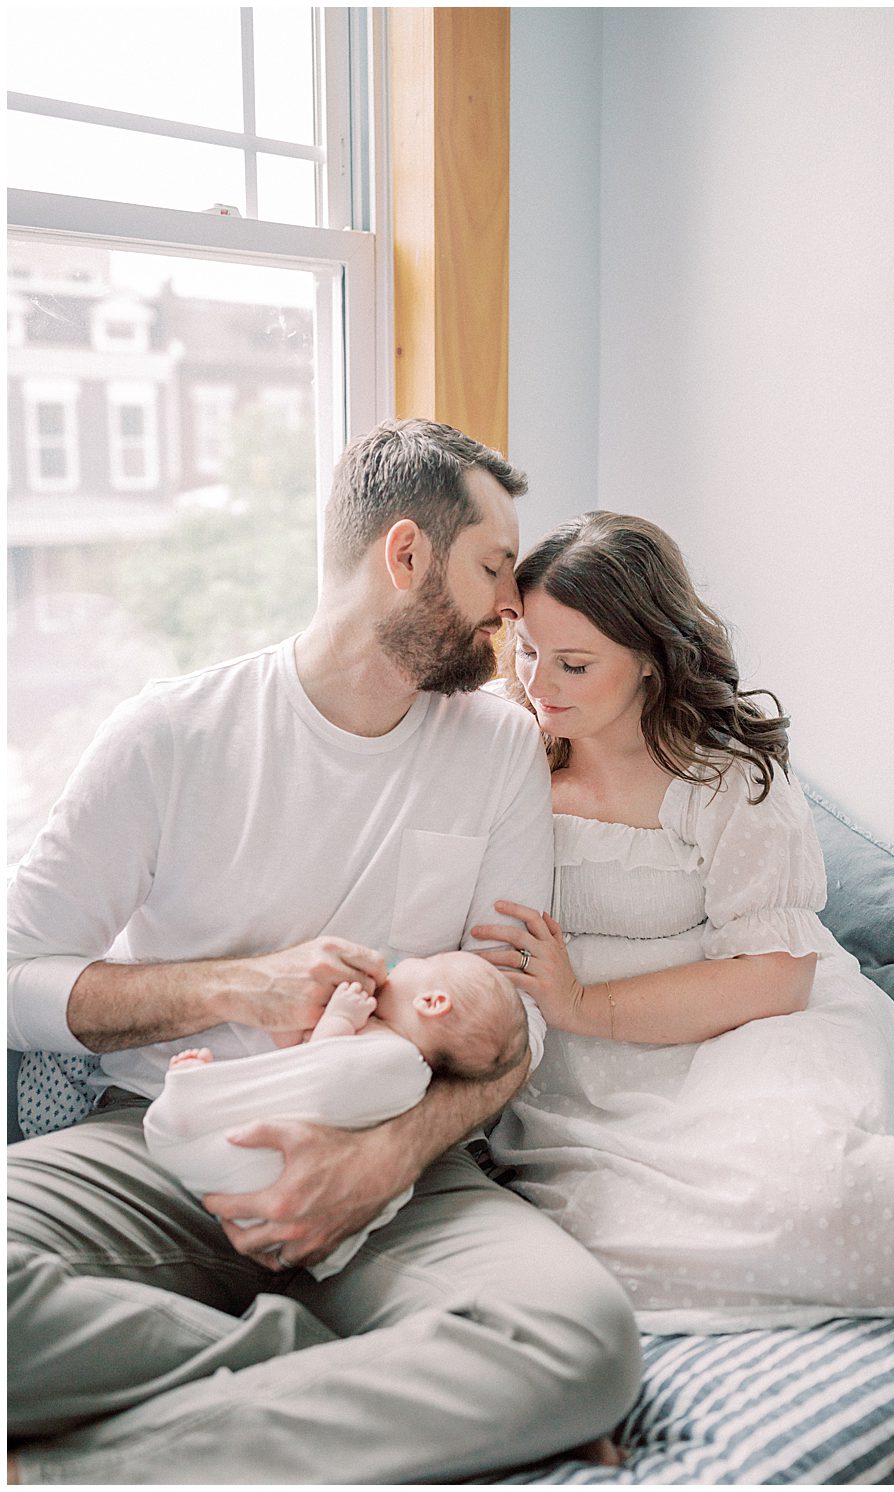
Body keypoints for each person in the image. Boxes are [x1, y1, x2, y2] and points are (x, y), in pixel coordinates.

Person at [7, 425, 641, 1485]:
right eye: (493, 567)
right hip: (162, 1147)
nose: (510, 607)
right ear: (406, 556)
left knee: (580, 1344)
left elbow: (520, 1020)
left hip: (395, 1164)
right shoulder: (172, 736)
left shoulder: (494, 748)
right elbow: (12, 974)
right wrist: (232, 985)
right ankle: (320, 1365)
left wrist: (383, 1158)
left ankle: (77, 1471)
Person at [474, 510, 894, 1333]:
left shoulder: (728, 781)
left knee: (809, 1191)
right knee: (618, 1252)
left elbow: (775, 975)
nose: (540, 685)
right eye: (528, 652)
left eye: (573, 664)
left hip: (756, 1023)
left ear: (648, 660)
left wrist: (581, 1004)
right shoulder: (505, 756)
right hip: (592, 1078)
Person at [144, 955, 529, 1280]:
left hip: (281, 1170)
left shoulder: (398, 1064)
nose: (400, 964)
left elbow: (325, 1068)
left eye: (421, 962)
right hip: (271, 1166)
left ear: (431, 1001)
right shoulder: (382, 1047)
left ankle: (203, 1095)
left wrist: (340, 1018)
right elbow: (298, 1062)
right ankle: (207, 1094)